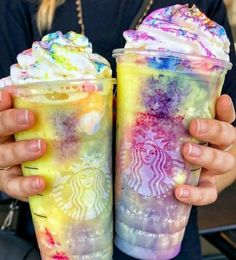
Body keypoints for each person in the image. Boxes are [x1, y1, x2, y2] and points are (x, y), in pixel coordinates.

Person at [0, 0, 236, 259]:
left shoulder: (200, 17)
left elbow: (231, 140)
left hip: (165, 228)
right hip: (54, 235)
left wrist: (210, 167)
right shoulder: (20, 4)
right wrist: (5, 166)